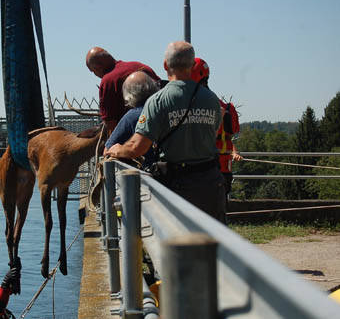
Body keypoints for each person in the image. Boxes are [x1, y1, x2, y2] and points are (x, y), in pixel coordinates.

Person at [105, 41, 227, 223]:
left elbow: (137, 147)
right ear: (193, 65)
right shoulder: (211, 100)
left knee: (178, 241)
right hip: (210, 183)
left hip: (177, 186)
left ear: (165, 66)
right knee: (212, 243)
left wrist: (116, 150)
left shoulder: (158, 101)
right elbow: (213, 133)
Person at [191, 57, 242, 196]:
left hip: (203, 170)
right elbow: (228, 139)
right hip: (224, 171)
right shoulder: (225, 108)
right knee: (219, 211)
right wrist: (234, 152)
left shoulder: (195, 107)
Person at [86, 47, 160, 135]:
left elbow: (111, 125)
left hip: (134, 135)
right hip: (161, 127)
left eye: (93, 71)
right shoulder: (141, 66)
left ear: (98, 67)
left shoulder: (108, 81)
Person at [103, 71, 159, 168]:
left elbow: (108, 150)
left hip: (151, 176)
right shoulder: (164, 109)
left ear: (129, 95)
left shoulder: (132, 117)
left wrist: (121, 150)